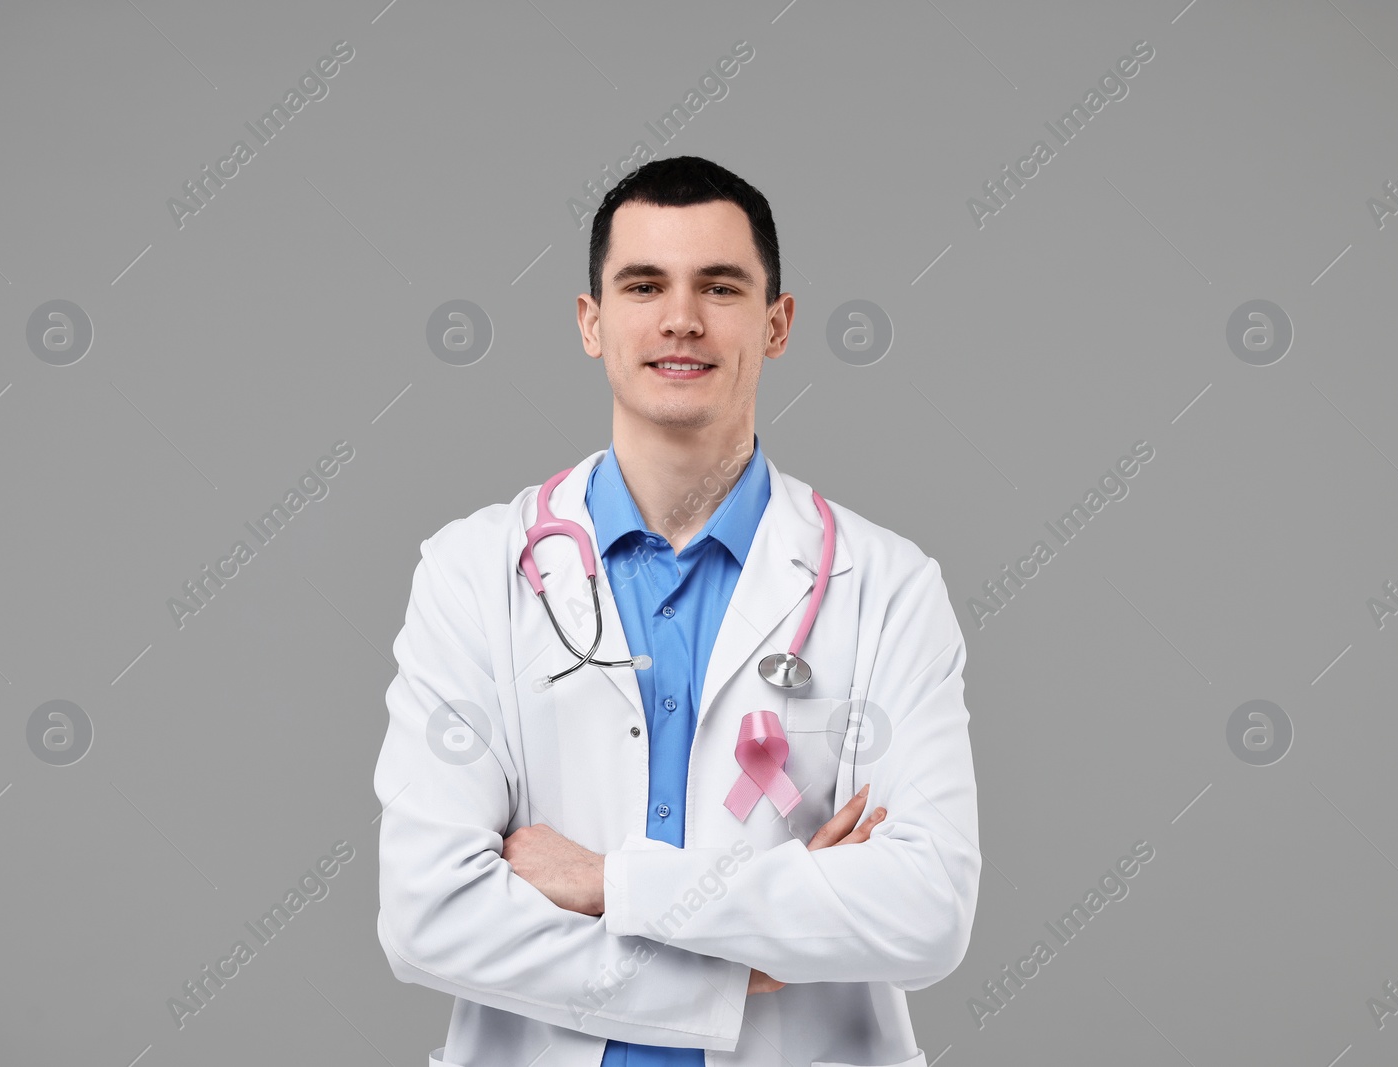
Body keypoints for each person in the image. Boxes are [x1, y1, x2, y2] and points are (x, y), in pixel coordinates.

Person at [373, 156, 980, 1067]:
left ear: (777, 325)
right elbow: (428, 915)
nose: (681, 318)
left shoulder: (886, 586)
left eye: (721, 287)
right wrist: (737, 971)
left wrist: (604, 880)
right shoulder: (473, 572)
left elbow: (925, 911)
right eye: (644, 284)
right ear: (592, 322)